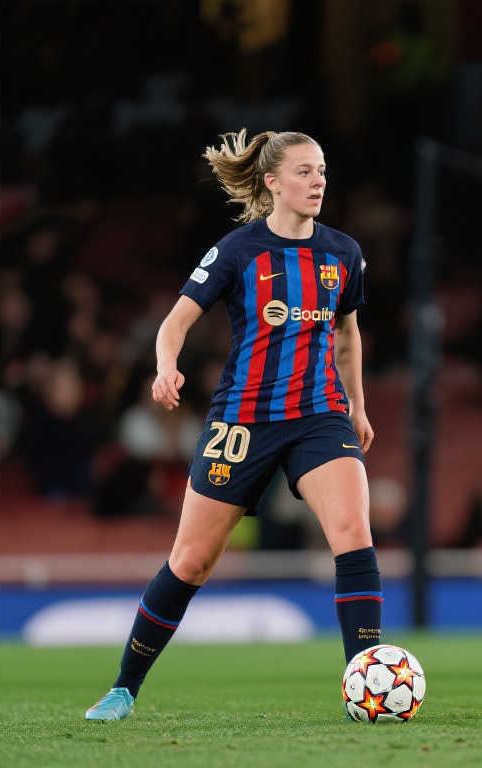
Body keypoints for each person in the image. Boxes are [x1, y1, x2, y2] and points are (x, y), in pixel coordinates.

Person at [85, 129, 380, 720]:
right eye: (303, 171)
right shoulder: (238, 251)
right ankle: (123, 687)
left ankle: (366, 684)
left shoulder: (343, 253)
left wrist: (358, 404)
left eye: (322, 170)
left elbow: (347, 336)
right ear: (272, 182)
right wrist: (165, 368)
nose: (318, 181)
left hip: (319, 416)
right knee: (191, 561)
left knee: (353, 532)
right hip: (243, 420)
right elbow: (175, 323)